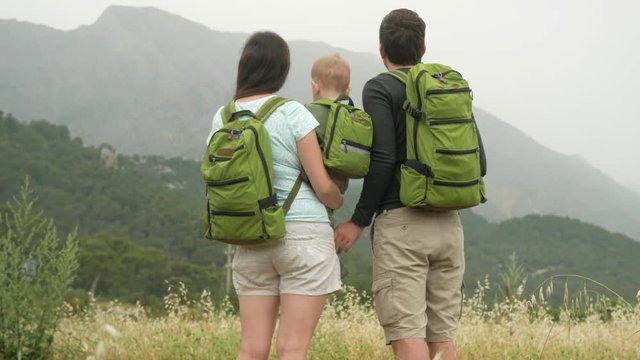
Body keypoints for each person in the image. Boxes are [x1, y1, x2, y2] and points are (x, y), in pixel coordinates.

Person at [334, 9, 485, 360]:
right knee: (443, 340)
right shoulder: (447, 90)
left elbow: (384, 158)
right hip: (450, 226)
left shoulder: (380, 87)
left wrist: (358, 220)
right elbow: (481, 162)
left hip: (402, 227)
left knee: (408, 337)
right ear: (423, 48)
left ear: (382, 50)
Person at [206, 31, 343, 360]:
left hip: (249, 237)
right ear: (282, 69)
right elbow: (322, 185)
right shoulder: (292, 112)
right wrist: (337, 201)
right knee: (292, 348)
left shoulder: (223, 117)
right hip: (303, 237)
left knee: (251, 349)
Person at [305, 53, 351, 215]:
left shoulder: (304, 114)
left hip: (304, 199)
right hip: (333, 199)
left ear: (315, 86)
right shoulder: (353, 120)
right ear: (348, 91)